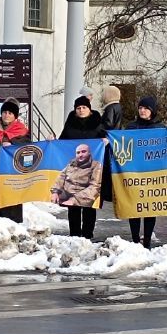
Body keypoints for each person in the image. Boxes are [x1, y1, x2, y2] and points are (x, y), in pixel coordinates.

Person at [57, 95, 106, 239]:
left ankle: (87, 234)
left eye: (84, 107)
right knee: (73, 204)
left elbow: (106, 139)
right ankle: (74, 234)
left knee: (89, 203)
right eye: (78, 108)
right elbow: (61, 143)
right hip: (74, 171)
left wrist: (105, 141)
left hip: (92, 170)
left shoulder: (98, 123)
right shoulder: (70, 123)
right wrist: (52, 142)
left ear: (89, 109)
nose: (81, 110)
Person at [121, 96, 165, 247]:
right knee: (134, 206)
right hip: (134, 172)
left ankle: (146, 240)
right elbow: (122, 144)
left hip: (152, 173)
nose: (142, 111)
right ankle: (134, 239)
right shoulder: (131, 127)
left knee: (149, 207)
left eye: (146, 108)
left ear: (152, 111)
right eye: (140, 108)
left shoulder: (159, 128)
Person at [0, 99, 31, 223]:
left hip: (11, 171)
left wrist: (12, 143)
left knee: (10, 194)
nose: (6, 115)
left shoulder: (21, 131)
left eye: (10, 113)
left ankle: (11, 222)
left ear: (15, 116)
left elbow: (27, 147)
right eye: (4, 112)